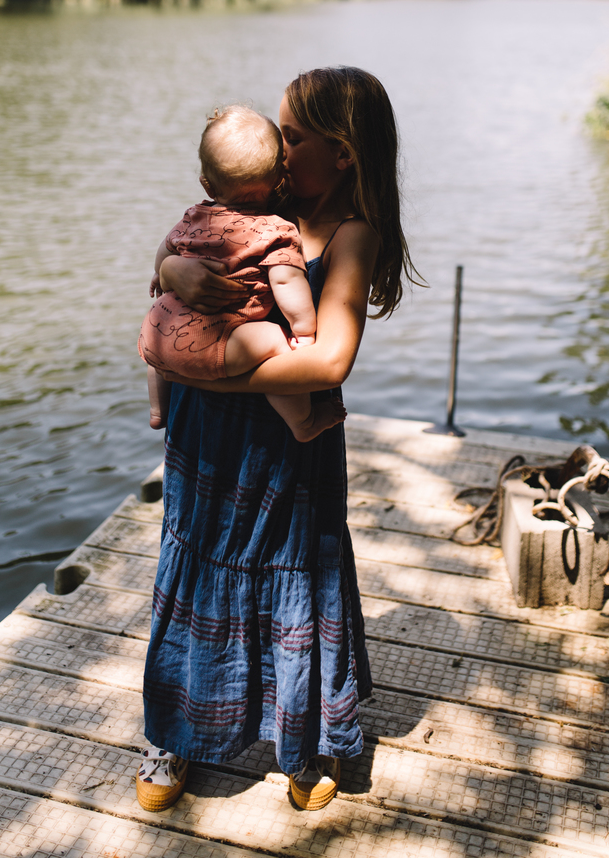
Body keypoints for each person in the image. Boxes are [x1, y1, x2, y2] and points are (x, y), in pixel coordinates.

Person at [136, 66, 420, 814]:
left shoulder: (352, 235)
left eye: (292, 135)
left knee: (293, 576)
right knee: (200, 570)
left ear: (344, 153)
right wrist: (174, 272)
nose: (279, 147)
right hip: (208, 441)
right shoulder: (264, 202)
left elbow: (328, 360)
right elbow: (172, 253)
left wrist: (203, 372)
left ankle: (302, 743)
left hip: (285, 450)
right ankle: (177, 732)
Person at [138, 104, 347, 443]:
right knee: (277, 343)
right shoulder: (275, 230)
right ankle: (303, 423)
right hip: (217, 344)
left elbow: (166, 249)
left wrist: (161, 272)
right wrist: (303, 329)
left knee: (157, 325)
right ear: (278, 177)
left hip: (160, 338)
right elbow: (286, 281)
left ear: (208, 185)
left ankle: (157, 411)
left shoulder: (194, 216)